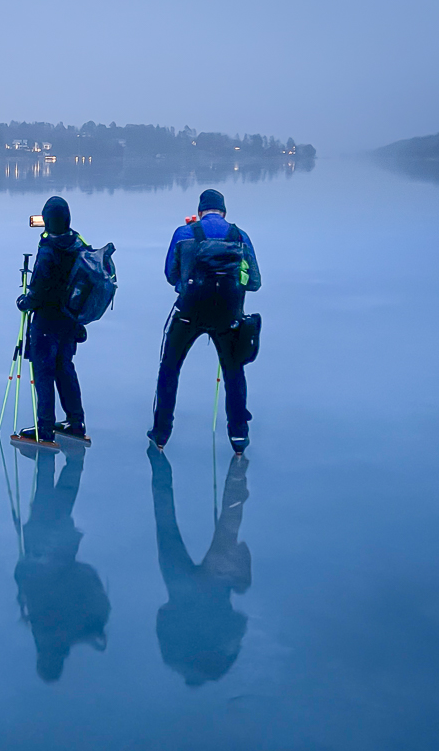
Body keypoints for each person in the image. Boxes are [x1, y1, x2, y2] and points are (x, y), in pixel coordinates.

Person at [149, 188, 261, 454]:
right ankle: (238, 436)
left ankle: (161, 433)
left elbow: (170, 274)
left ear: (199, 211)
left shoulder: (183, 233)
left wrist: (186, 286)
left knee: (169, 369)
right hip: (228, 316)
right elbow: (255, 282)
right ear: (224, 211)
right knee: (234, 373)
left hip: (188, 313)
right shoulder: (239, 236)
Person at [148, 441, 251, 686]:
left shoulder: (219, 660)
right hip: (183, 587)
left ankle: (238, 471)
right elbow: (163, 618)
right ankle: (236, 466)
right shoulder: (174, 657)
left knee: (227, 524)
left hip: (213, 584)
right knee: (166, 524)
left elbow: (237, 624)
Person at [12, 439, 109, 682]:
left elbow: (26, 584)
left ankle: (71, 460)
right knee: (49, 504)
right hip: (51, 555)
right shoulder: (48, 629)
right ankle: (71, 458)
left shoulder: (46, 630)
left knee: (54, 507)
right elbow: (25, 581)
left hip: (52, 555)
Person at [15, 196, 88, 446]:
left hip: (46, 322)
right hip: (69, 320)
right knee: (65, 369)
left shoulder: (48, 251)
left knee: (44, 373)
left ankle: (45, 427)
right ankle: (75, 422)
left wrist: (24, 302)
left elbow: (39, 290)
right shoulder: (78, 244)